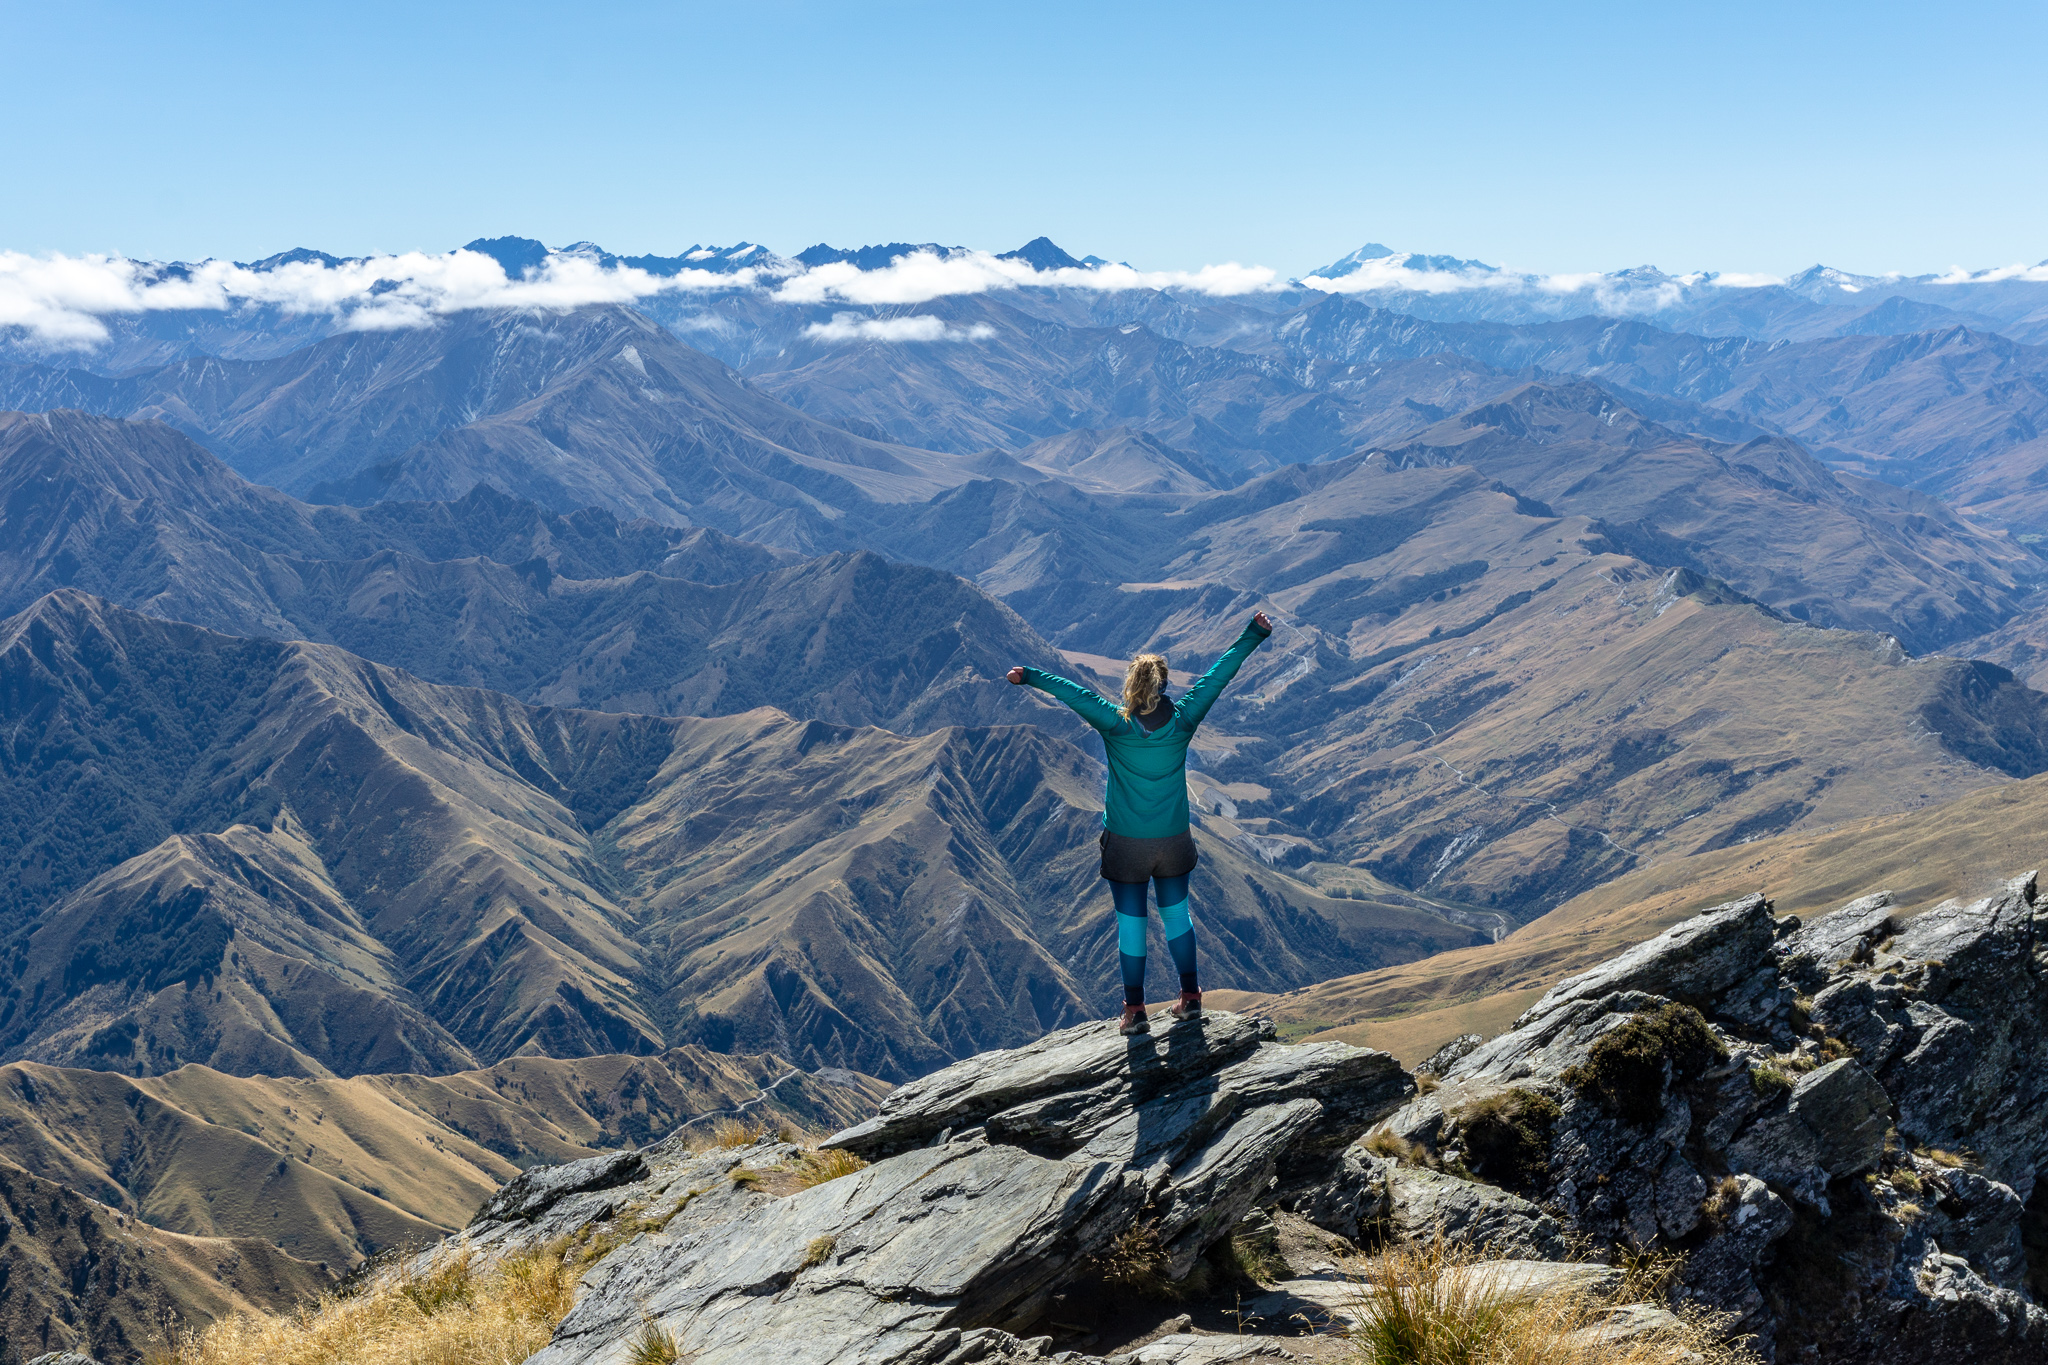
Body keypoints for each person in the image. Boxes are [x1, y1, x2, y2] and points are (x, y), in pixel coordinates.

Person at [1007, 610, 1274, 1034]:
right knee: (1176, 916)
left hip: (1127, 844)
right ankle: (1190, 1000)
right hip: (1173, 842)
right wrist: (1253, 634)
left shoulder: (1116, 724)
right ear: (1164, 685)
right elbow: (1219, 675)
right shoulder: (1184, 720)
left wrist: (1029, 676)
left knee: (1131, 924)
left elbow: (1073, 694)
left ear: (1132, 686)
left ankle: (1134, 1013)